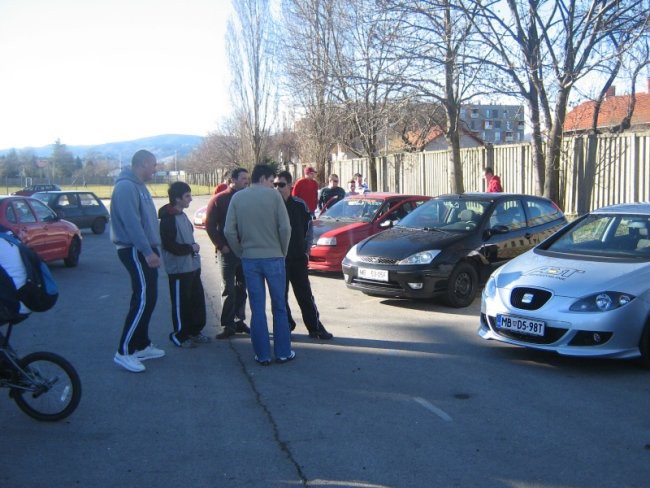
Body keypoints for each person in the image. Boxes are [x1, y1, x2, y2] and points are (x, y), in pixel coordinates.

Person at [224, 164, 293, 365]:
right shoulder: (274, 197)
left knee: (257, 307)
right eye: (272, 181)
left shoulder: (237, 197)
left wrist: (240, 252)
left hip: (250, 259)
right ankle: (283, 352)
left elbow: (229, 231)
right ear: (264, 178)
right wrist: (282, 251)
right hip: (274, 257)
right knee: (279, 306)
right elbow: (285, 228)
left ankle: (262, 354)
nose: (273, 185)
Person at [110, 149, 165, 373]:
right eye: (153, 165)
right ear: (143, 163)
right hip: (134, 250)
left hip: (146, 249)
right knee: (142, 299)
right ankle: (123, 352)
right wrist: (146, 251)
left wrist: (153, 248)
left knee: (150, 298)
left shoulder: (139, 186)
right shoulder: (125, 187)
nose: (155, 168)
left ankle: (140, 345)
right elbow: (132, 223)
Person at [275, 171, 333, 340]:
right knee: (280, 296)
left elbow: (309, 229)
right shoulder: (272, 206)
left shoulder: (300, 205)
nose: (278, 188)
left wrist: (307, 251)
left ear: (290, 186)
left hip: (298, 258)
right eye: (275, 185)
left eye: (282, 184)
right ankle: (286, 325)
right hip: (279, 260)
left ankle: (315, 327)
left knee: (305, 295)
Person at [158, 182, 208, 348]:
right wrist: (190, 248)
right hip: (179, 270)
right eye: (187, 196)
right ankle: (180, 335)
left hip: (191, 267)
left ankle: (194, 331)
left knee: (196, 301)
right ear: (177, 198)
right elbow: (169, 245)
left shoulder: (182, 215)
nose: (191, 199)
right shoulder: (168, 219)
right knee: (181, 304)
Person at [205, 167, 250, 339]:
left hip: (244, 252)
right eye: (243, 178)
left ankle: (239, 321)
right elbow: (210, 225)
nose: (246, 181)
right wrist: (221, 246)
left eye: (247, 178)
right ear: (233, 180)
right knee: (228, 289)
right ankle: (227, 324)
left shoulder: (247, 199)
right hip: (227, 252)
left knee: (241, 288)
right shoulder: (220, 199)